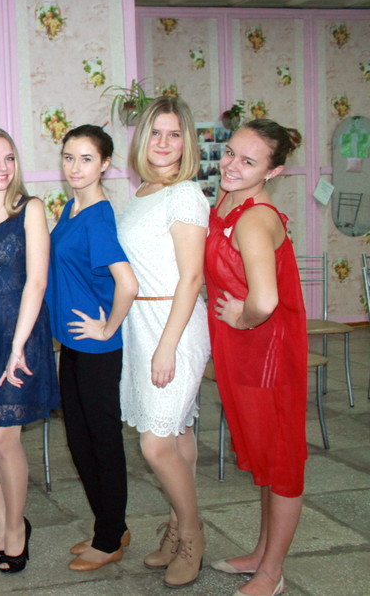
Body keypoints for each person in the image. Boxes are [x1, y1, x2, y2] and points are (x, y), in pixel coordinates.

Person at [205, 119, 307, 596]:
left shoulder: (254, 218)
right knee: (266, 456)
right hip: (242, 353)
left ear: (273, 171)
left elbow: (264, 301)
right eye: (230, 152)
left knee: (281, 462)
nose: (231, 165)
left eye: (248, 161)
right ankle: (263, 553)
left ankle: (272, 573)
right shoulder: (228, 201)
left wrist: (241, 318)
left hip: (267, 354)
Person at [117, 97, 210, 587]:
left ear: (186, 142)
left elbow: (192, 277)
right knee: (178, 436)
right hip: (142, 322)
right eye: (156, 132)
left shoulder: (186, 195)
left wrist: (168, 346)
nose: (164, 143)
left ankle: (192, 534)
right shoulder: (143, 192)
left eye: (174, 135)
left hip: (174, 324)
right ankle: (175, 528)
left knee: (155, 444)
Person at [0, 127, 59, 574]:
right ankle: (2, 523)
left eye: (9, 158)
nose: (2, 168)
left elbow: (36, 281)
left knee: (5, 436)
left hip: (20, 332)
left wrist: (18, 346)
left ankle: (17, 528)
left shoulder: (30, 209)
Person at [46, 124, 139, 572]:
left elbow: (128, 283)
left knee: (101, 442)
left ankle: (109, 539)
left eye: (86, 159)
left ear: (104, 164)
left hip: (96, 350)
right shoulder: (71, 207)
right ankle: (111, 524)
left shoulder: (98, 216)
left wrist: (108, 328)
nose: (75, 167)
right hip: (73, 345)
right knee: (79, 441)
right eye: (69, 157)